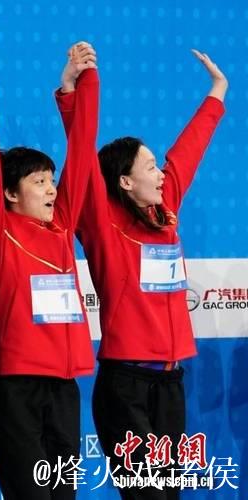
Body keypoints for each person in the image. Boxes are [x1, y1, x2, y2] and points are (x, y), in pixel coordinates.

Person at [77, 50, 227, 500]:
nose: (161, 175)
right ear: (124, 182)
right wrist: (78, 89)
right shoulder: (104, 226)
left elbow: (188, 151)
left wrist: (217, 93)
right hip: (127, 385)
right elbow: (82, 156)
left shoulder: (166, 211)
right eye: (149, 168)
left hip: (170, 383)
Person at [0, 42, 99, 499]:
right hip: (15, 390)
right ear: (10, 194)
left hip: (64, 390)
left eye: (51, 181)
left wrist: (77, 85)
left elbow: (82, 151)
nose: (51, 189)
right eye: (38, 182)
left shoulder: (61, 228)